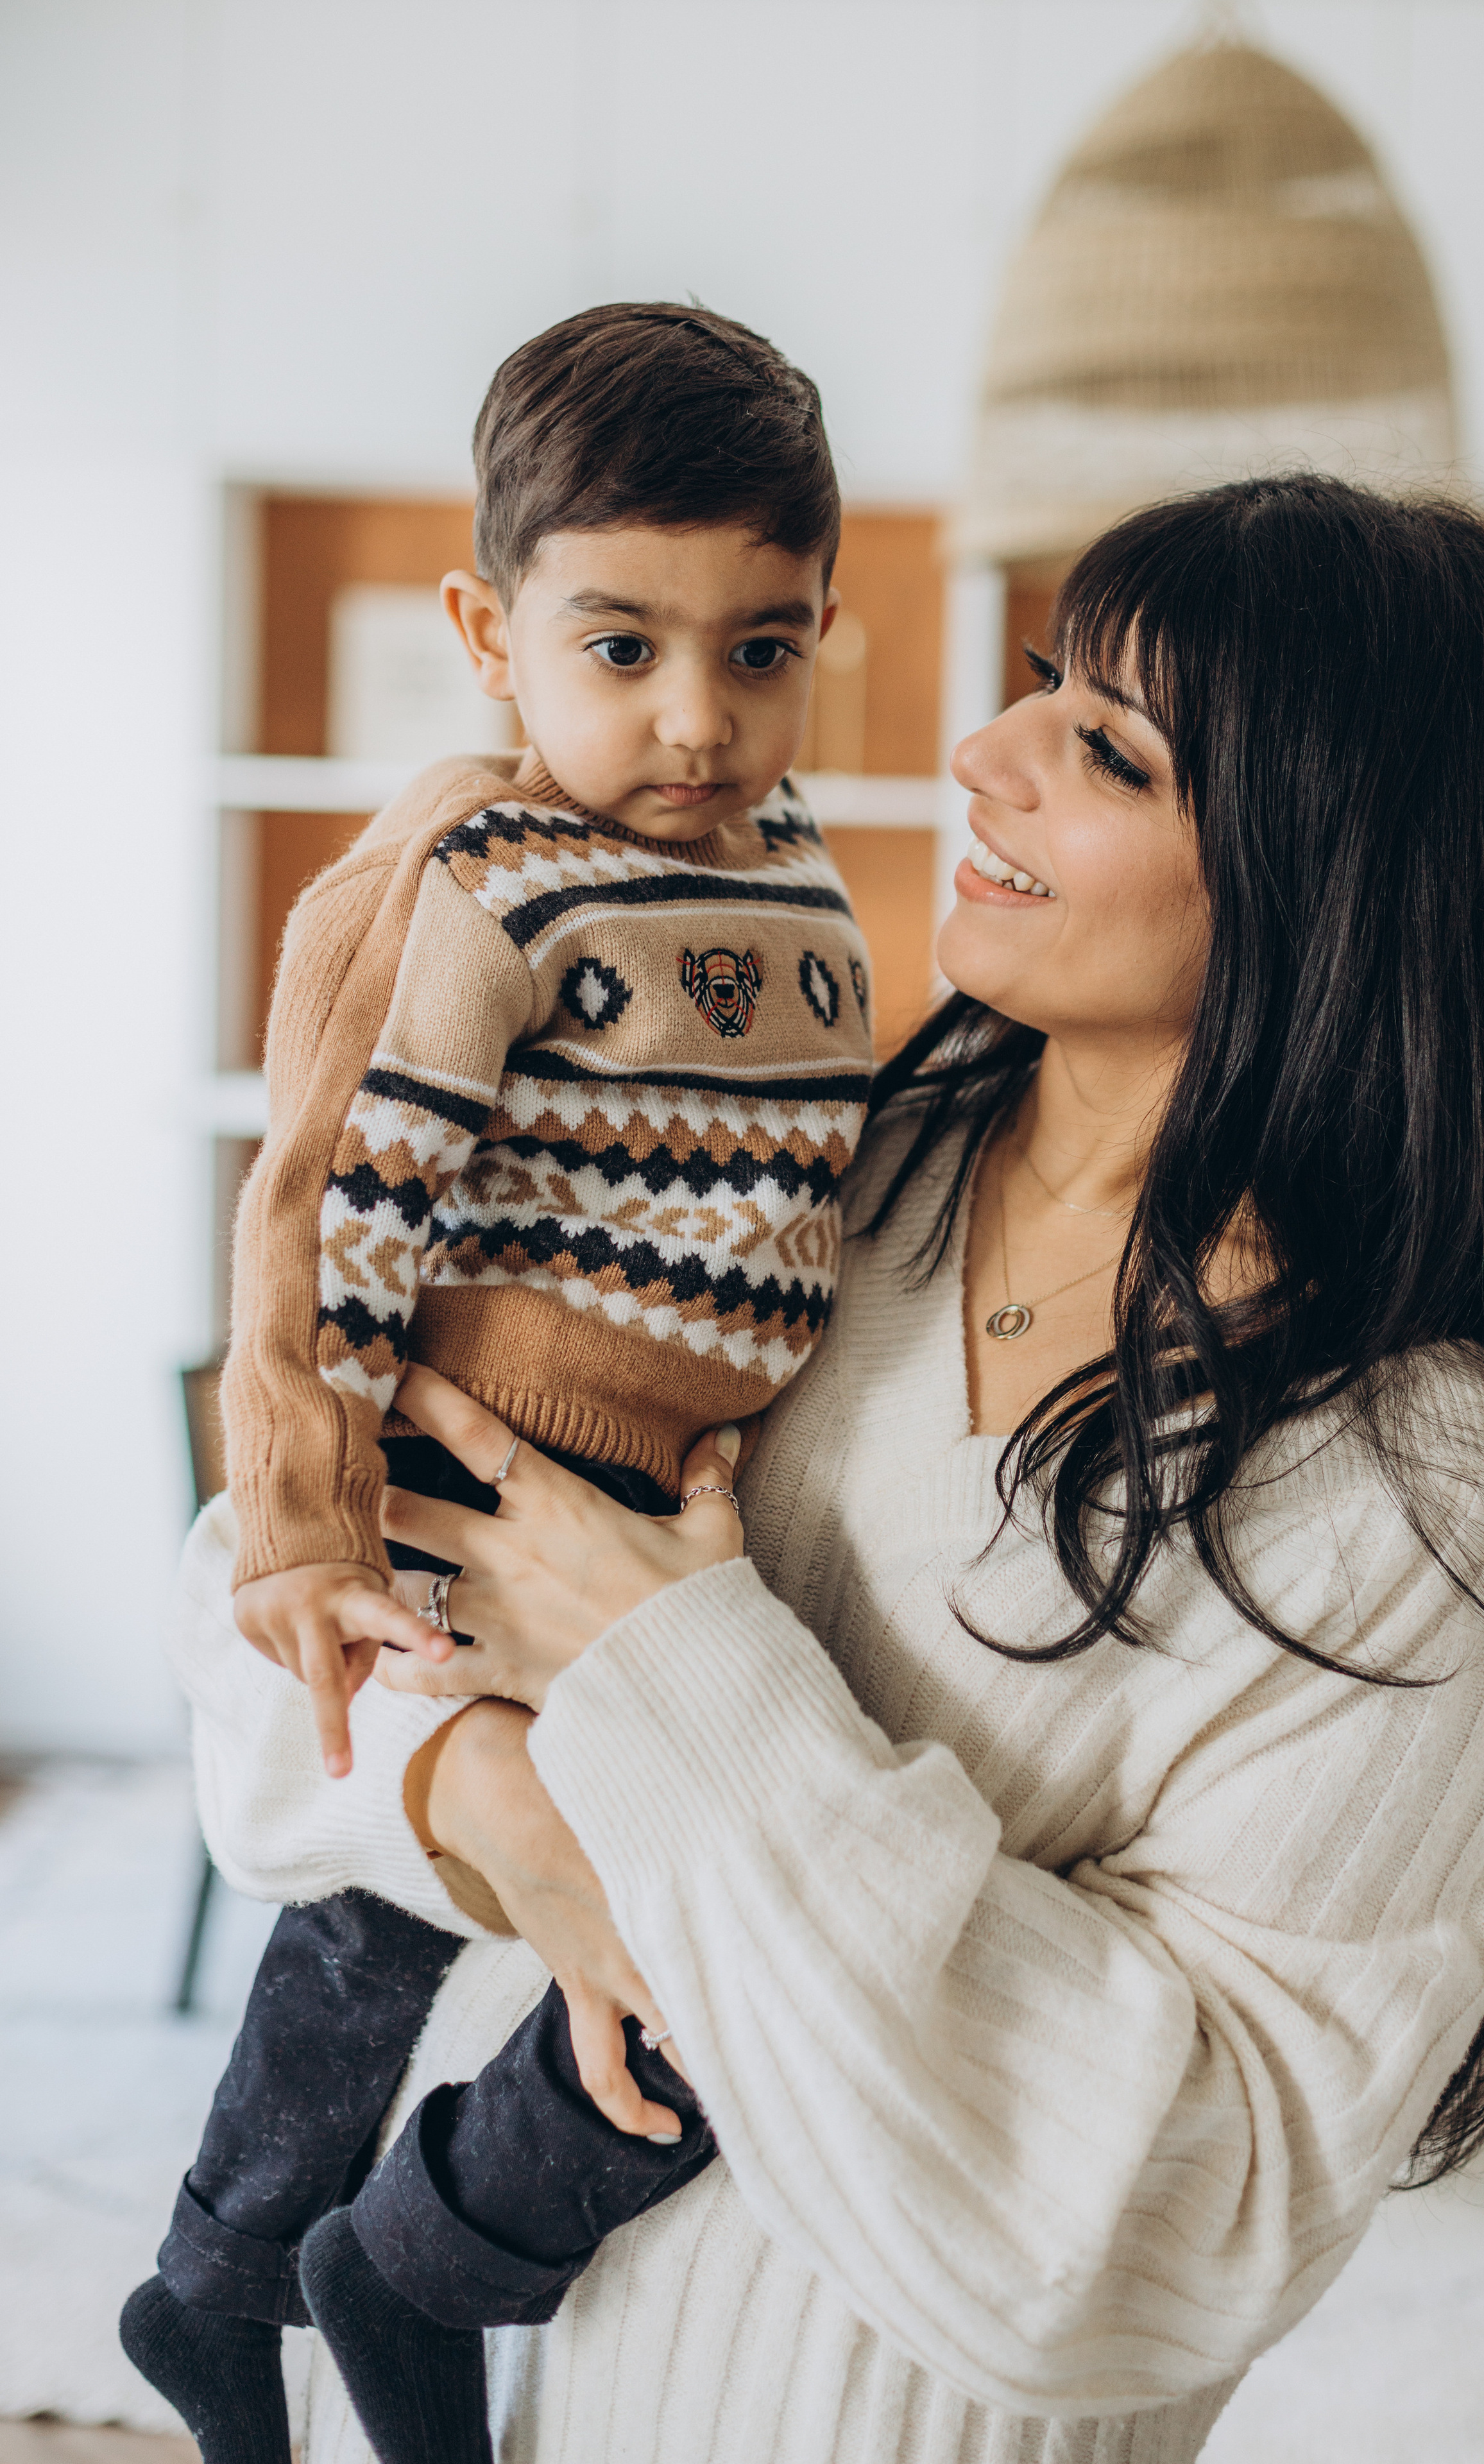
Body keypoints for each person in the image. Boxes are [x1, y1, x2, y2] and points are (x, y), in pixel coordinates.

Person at [164, 476, 1484, 2464]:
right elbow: (261, 1611)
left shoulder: (1410, 1500)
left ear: (1327, 882)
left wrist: (677, 1661)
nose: (979, 751)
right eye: (1041, 684)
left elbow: (1145, 2234)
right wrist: (485, 1791)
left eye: (1103, 747)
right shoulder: (794, 1174)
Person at [121, 302, 874, 2463]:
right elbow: (335, 1206)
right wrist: (302, 1518)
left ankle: (337, 2267)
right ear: (489, 627)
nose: (696, 715)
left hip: (662, 1519)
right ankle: (278, 2272)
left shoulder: (802, 866)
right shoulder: (484, 874)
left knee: (593, 1949)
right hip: (481, 1486)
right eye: (620, 646)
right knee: (415, 1927)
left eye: (763, 647)